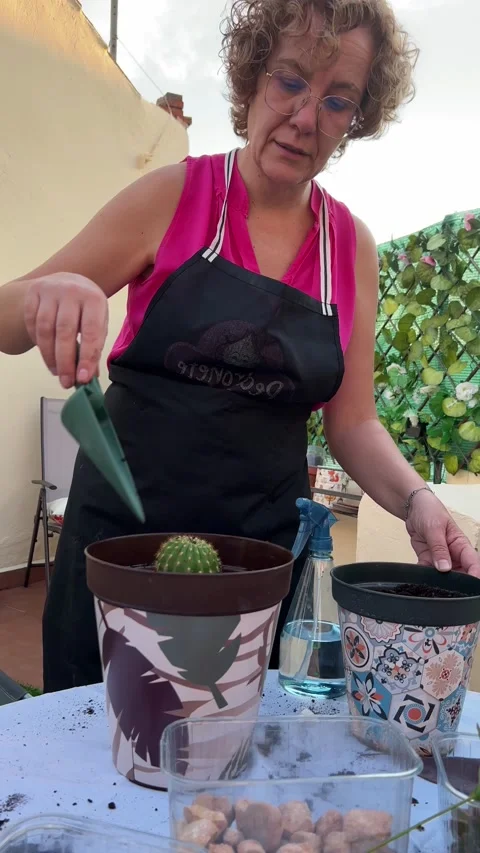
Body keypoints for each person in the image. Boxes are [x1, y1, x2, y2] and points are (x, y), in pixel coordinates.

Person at [1, 0, 479, 693]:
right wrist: (48, 294)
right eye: (290, 81)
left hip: (256, 573)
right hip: (119, 553)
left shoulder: (350, 248)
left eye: (337, 100)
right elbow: (6, 320)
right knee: (102, 747)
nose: (306, 118)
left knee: (236, 751)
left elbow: (353, 422)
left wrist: (415, 500)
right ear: (253, 77)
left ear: (356, 118)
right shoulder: (174, 197)